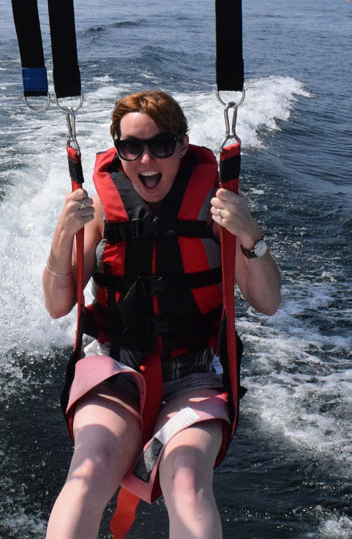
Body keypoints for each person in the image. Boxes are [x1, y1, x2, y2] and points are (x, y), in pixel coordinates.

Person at [42, 90, 281, 538]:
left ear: (183, 146)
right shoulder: (99, 212)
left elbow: (267, 301)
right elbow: (58, 304)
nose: (146, 159)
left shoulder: (216, 210)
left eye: (161, 145)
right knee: (88, 471)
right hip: (116, 367)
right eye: (131, 147)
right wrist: (62, 238)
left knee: (187, 480)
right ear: (118, 150)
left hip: (195, 373)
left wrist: (249, 232)